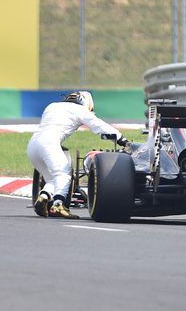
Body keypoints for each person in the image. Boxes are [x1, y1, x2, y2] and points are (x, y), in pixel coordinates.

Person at [27, 91, 129, 219]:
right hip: (49, 143)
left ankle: (43, 197)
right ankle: (58, 204)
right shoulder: (80, 110)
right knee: (64, 174)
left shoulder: (52, 106)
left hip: (33, 145)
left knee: (52, 179)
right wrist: (122, 140)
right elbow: (99, 126)